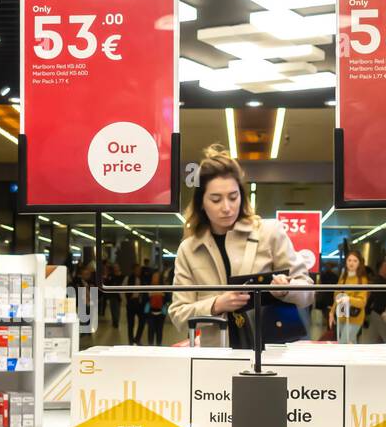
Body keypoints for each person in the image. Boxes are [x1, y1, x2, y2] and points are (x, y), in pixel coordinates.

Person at [168, 144, 313, 348]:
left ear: (241, 196)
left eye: (233, 197)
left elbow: (309, 292)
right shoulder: (189, 249)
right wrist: (216, 305)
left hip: (271, 352)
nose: (226, 207)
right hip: (216, 357)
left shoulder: (270, 232)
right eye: (216, 199)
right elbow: (178, 314)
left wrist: (286, 289)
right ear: (201, 202)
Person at [334, 252, 370, 344]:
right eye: (349, 260)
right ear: (346, 262)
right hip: (342, 315)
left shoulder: (362, 280)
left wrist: (349, 299)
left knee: (344, 342)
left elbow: (362, 302)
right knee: (351, 342)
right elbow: (337, 296)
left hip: (355, 317)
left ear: (359, 263)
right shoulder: (343, 278)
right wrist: (331, 312)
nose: (351, 263)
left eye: (355, 260)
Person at [362, 258, 386, 344]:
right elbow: (372, 297)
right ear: (381, 268)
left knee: (371, 338)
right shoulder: (379, 281)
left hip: (376, 313)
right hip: (378, 313)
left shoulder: (383, 281)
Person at [142, 269, 170, 346]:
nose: (155, 279)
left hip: (161, 313)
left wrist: (162, 296)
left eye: (156, 277)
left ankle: (159, 347)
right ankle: (150, 348)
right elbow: (143, 299)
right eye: (154, 277)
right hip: (150, 313)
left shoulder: (163, 287)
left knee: (159, 332)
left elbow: (168, 298)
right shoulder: (148, 287)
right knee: (150, 331)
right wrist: (150, 295)